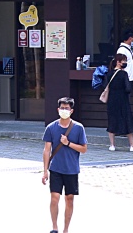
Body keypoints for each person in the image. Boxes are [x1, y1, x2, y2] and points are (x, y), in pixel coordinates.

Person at [42, 97, 87, 233]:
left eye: (67, 108)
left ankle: (65, 229)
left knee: (69, 198)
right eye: (62, 108)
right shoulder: (51, 128)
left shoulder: (78, 128)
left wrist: (68, 143)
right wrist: (45, 171)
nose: (64, 110)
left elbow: (84, 149)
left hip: (72, 169)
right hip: (55, 168)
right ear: (58, 109)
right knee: (54, 197)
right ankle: (54, 227)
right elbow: (47, 150)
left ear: (71, 111)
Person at [106, 53, 133, 151]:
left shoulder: (109, 74)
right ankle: (132, 146)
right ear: (118, 62)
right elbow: (128, 88)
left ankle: (112, 145)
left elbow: (105, 85)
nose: (125, 63)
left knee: (112, 121)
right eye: (123, 61)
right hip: (123, 100)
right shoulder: (123, 74)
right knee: (127, 120)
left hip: (112, 100)